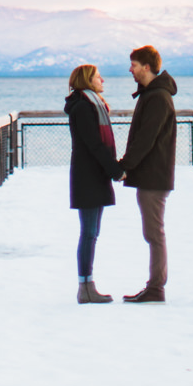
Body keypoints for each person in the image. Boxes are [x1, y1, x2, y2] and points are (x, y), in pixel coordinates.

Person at [117, 44, 177, 302]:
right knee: (153, 232)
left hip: (154, 175)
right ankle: (155, 286)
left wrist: (124, 165)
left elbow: (145, 139)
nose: (131, 70)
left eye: (134, 65)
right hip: (152, 174)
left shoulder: (157, 97)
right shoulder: (152, 95)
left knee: (154, 233)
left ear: (147, 67)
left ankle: (156, 288)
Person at [64, 62, 118, 303]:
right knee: (88, 232)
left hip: (92, 174)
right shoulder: (84, 108)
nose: (102, 80)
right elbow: (94, 144)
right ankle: (85, 287)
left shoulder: (89, 104)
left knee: (91, 232)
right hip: (88, 176)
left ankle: (87, 285)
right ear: (87, 80)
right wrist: (115, 169)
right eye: (98, 77)